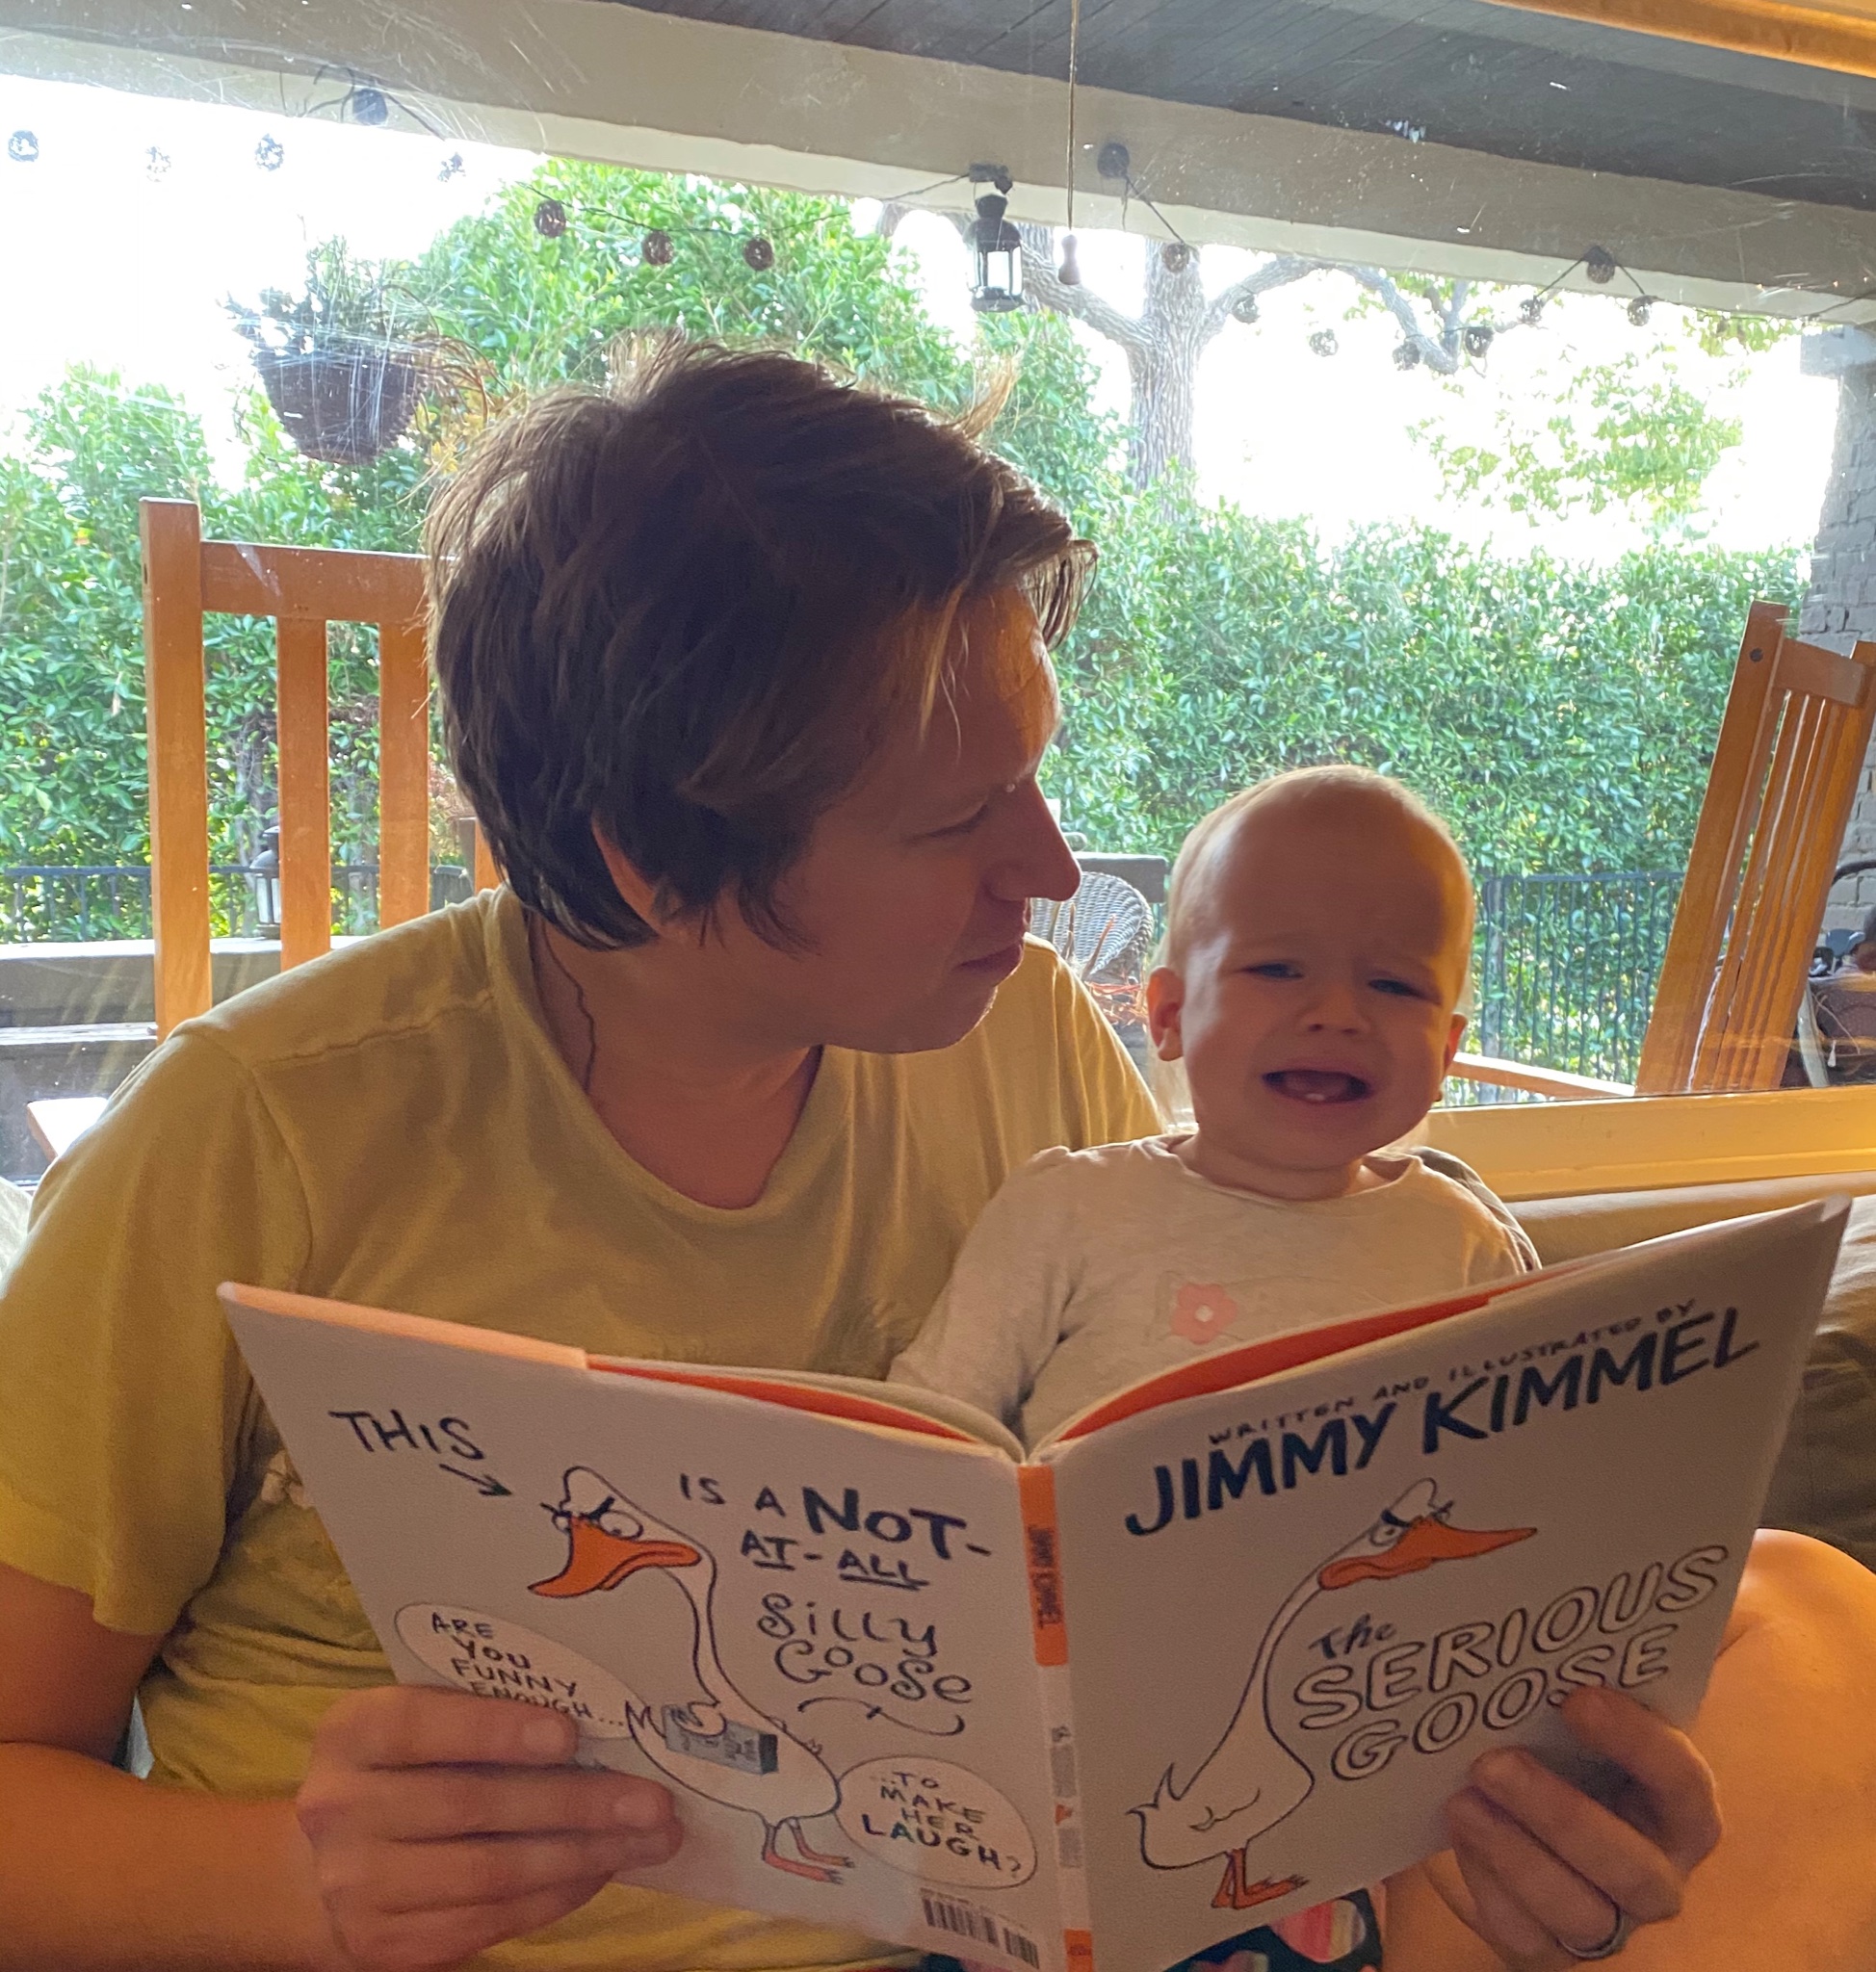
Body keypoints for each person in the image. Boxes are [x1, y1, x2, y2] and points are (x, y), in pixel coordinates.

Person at [0, 346, 1868, 1972]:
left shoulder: (1023, 1037)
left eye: (1033, 775)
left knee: (1804, 1625)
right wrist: (295, 1881)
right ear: (651, 859)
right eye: (958, 817)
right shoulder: (253, 1132)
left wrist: (1499, 1810)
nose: (1048, 871)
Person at [892, 766, 1535, 1449]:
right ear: (1169, 1015)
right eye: (1278, 969)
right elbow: (923, 1433)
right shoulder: (1062, 1210)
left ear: (1446, 1053)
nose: (1338, 1013)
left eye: (1395, 985)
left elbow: (1526, 1460)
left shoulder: (1468, 1246)